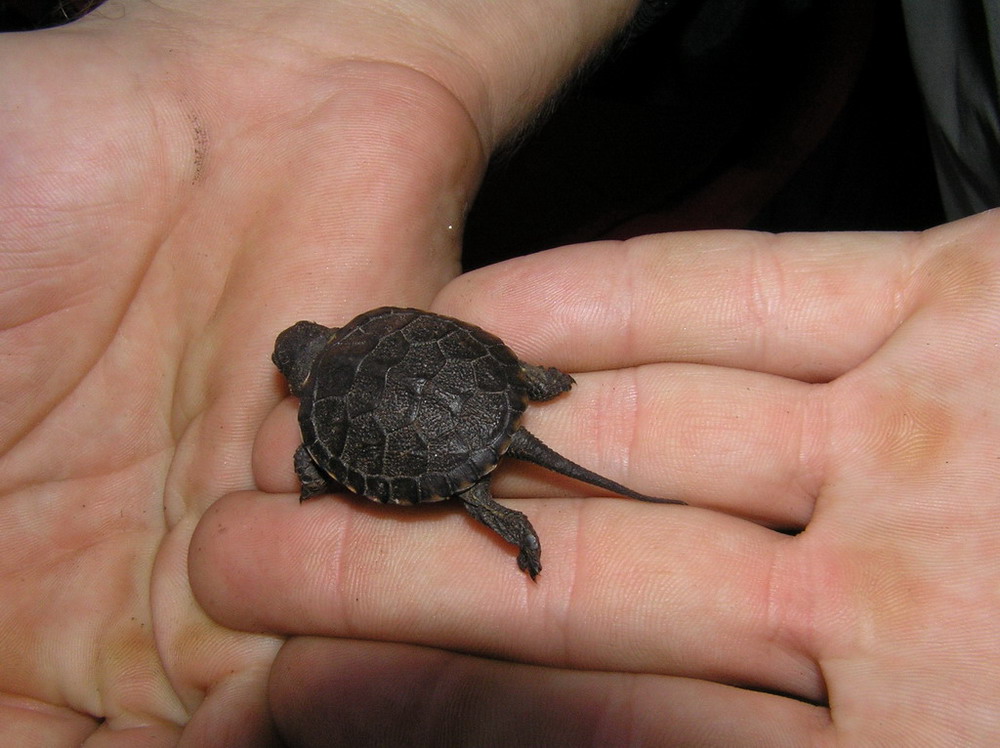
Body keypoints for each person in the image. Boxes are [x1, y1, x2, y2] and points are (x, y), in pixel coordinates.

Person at [1, 1, 997, 744]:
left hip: (459, 409)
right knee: (501, 431)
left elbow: (321, 463)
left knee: (477, 488)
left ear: (299, 373)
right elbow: (429, 337)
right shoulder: (371, 327)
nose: (291, 356)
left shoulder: (317, 426)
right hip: (489, 383)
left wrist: (315, 478)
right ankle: (532, 403)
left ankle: (517, 525)